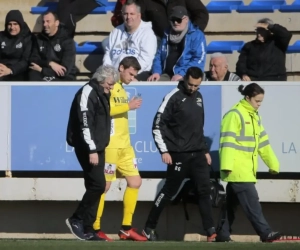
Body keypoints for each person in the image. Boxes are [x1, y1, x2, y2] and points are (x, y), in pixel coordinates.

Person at [142, 67, 217, 242]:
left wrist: (204, 150)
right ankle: (149, 227)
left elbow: (199, 127)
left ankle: (210, 231)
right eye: (190, 84)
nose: (192, 88)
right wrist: (164, 150)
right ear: (184, 80)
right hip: (178, 154)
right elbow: (157, 125)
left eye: (196, 85)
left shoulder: (199, 97)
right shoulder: (173, 96)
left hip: (198, 154)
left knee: (205, 191)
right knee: (168, 191)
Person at [216, 83, 281, 242]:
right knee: (253, 204)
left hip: (244, 169)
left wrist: (273, 164)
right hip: (238, 170)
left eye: (261, 101)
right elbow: (227, 142)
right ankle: (265, 233)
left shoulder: (254, 116)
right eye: (257, 101)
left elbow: (263, 143)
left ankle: (223, 234)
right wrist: (226, 166)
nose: (259, 105)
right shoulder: (235, 114)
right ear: (247, 98)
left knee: (231, 207)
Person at [93, 56, 147, 241]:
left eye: (134, 75)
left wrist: (126, 104)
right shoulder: (109, 86)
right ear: (121, 68)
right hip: (111, 146)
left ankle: (126, 228)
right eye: (130, 73)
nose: (132, 78)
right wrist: (128, 106)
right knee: (105, 185)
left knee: (135, 182)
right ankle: (95, 227)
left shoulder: (122, 89)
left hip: (125, 146)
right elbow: (104, 109)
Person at [65, 65, 118, 241]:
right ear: (100, 79)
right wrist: (92, 149)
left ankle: (89, 228)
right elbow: (84, 124)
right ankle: (76, 218)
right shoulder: (87, 92)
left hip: (98, 146)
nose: (111, 87)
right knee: (98, 185)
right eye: (110, 83)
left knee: (95, 186)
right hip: (88, 147)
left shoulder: (103, 93)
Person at [148, 6, 206, 82]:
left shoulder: (197, 35)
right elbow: (159, 56)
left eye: (178, 20)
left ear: (186, 19)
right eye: (173, 20)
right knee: (153, 83)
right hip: (167, 74)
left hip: (187, 75)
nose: (175, 23)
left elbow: (199, 59)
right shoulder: (167, 33)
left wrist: (182, 74)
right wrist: (156, 72)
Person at [103, 0, 157, 81]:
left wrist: (128, 74)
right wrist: (109, 74)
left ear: (139, 15)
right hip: (114, 76)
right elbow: (108, 55)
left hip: (137, 75)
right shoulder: (116, 32)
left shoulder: (147, 33)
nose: (128, 17)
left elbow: (145, 61)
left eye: (132, 14)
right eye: (125, 14)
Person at [29, 11, 76, 81]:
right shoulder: (38, 39)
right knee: (31, 74)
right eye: (43, 22)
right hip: (43, 74)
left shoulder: (67, 41)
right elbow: (33, 60)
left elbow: (63, 71)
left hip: (61, 78)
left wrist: (42, 70)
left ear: (56, 23)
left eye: (48, 21)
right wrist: (50, 63)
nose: (45, 24)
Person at [0, 10, 33, 81]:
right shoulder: (1, 36)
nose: (12, 27)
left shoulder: (28, 38)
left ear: (20, 25)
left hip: (19, 72)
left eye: (15, 24)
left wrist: (10, 70)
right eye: (9, 24)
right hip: (2, 69)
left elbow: (26, 61)